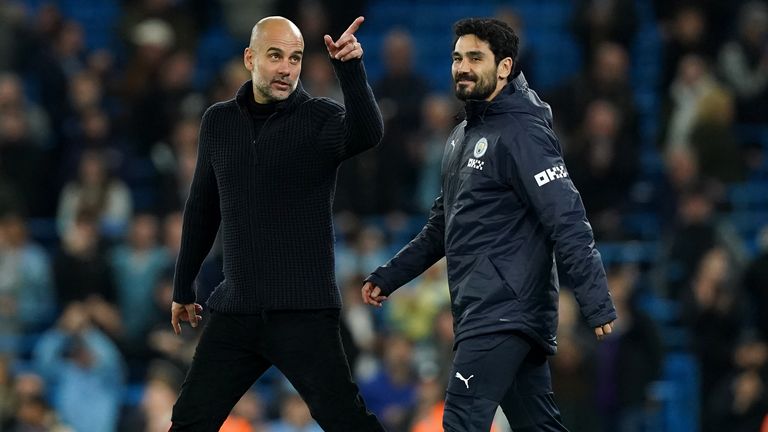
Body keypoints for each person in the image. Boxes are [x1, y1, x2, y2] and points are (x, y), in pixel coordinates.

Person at [362, 18, 617, 432]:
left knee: (462, 422)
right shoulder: (460, 136)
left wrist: (595, 298)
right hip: (489, 311)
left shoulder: (524, 132)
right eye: (457, 58)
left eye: (475, 58)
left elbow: (567, 217)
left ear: (504, 66)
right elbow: (441, 228)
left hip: (501, 311)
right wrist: (390, 276)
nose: (462, 66)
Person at [169, 15, 385, 431]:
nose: (286, 68)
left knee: (346, 421)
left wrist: (350, 69)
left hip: (303, 310)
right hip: (237, 308)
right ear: (250, 58)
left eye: (296, 58)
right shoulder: (218, 121)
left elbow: (368, 133)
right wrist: (183, 288)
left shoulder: (319, 118)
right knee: (189, 422)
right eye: (275, 56)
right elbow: (202, 208)